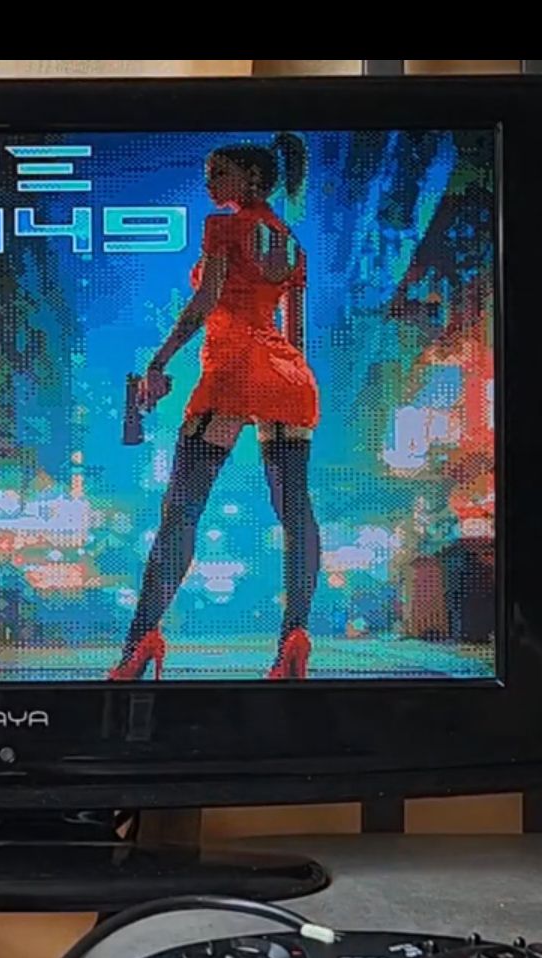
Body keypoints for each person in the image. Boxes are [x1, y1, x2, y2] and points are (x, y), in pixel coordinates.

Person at [112, 133, 323, 680]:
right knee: (295, 511)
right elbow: (296, 335)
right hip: (288, 375)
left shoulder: (224, 228)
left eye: (219, 173)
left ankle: (139, 643)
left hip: (233, 369)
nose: (209, 183)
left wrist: (159, 361)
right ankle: (294, 638)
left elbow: (204, 302)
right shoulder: (292, 244)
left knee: (181, 512)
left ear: (250, 178)